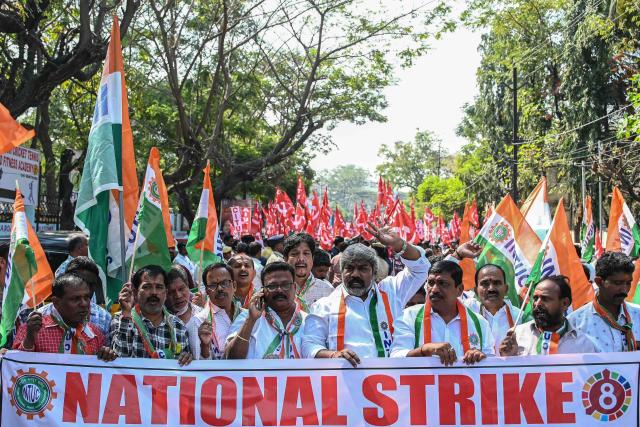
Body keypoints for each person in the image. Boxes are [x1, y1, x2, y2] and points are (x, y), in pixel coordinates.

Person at [301, 224, 431, 366]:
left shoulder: (392, 291)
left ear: (374, 273)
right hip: (344, 383)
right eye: (349, 268)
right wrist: (333, 355)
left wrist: (399, 244)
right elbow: (309, 345)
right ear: (341, 272)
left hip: (391, 382)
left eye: (363, 268)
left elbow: (421, 269)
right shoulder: (324, 306)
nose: (355, 274)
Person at [391, 260, 493, 365]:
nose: (434, 290)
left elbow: (492, 364)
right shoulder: (408, 317)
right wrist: (424, 350)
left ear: (459, 289)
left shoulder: (480, 323)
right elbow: (396, 357)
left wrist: (480, 357)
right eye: (430, 283)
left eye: (442, 284)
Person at [13, 273, 116, 360]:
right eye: (75, 299)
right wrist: (29, 339)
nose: (84, 304)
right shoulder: (33, 328)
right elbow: (14, 366)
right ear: (56, 302)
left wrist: (107, 356)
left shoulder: (95, 335)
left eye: (87, 297)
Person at [111, 265, 192, 364]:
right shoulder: (120, 319)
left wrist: (187, 359)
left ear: (165, 293)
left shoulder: (179, 327)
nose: (154, 292)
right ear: (135, 292)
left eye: (159, 287)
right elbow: (118, 361)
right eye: (147, 287)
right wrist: (126, 314)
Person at [226, 262, 307, 359]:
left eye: (285, 284)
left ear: (294, 287)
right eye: (272, 286)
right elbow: (231, 358)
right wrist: (250, 320)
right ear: (262, 290)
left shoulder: (308, 321)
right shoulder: (247, 317)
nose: (279, 290)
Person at [500, 276, 597, 356]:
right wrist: (508, 358)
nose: (537, 304)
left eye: (545, 299)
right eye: (535, 298)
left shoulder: (584, 345)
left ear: (564, 303)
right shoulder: (516, 335)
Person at [568, 252, 640, 352]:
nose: (624, 289)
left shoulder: (638, 315)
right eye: (618, 283)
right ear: (599, 282)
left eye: (628, 283)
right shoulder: (575, 323)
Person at [33, 257, 112, 340]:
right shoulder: (39, 318)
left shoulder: (104, 318)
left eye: (91, 284)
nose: (86, 288)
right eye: (80, 281)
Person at [186, 263, 245, 359]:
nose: (220, 288)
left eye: (224, 283)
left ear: (234, 286)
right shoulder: (197, 322)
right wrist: (205, 348)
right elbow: (199, 367)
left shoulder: (248, 317)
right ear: (207, 291)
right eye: (213, 285)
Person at [464, 264, 521, 354]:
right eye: (485, 284)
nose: (491, 289)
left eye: (497, 283)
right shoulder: (467, 311)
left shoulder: (520, 317)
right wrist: (457, 255)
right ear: (476, 291)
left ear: (506, 289)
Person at [284, 233, 333, 311]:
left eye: (306, 253)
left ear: (312, 258)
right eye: (295, 254)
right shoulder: (277, 290)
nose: (301, 259)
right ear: (285, 259)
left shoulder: (327, 290)